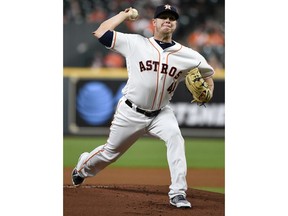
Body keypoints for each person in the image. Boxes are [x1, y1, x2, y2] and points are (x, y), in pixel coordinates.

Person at [72, 4, 215, 209]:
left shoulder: (189, 55)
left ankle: (178, 192)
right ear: (153, 22)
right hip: (131, 111)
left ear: (175, 24)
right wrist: (123, 15)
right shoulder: (134, 43)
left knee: (175, 138)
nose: (168, 20)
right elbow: (101, 32)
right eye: (163, 17)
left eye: (172, 18)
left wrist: (208, 93)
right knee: (109, 153)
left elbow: (209, 75)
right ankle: (82, 168)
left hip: (161, 113)